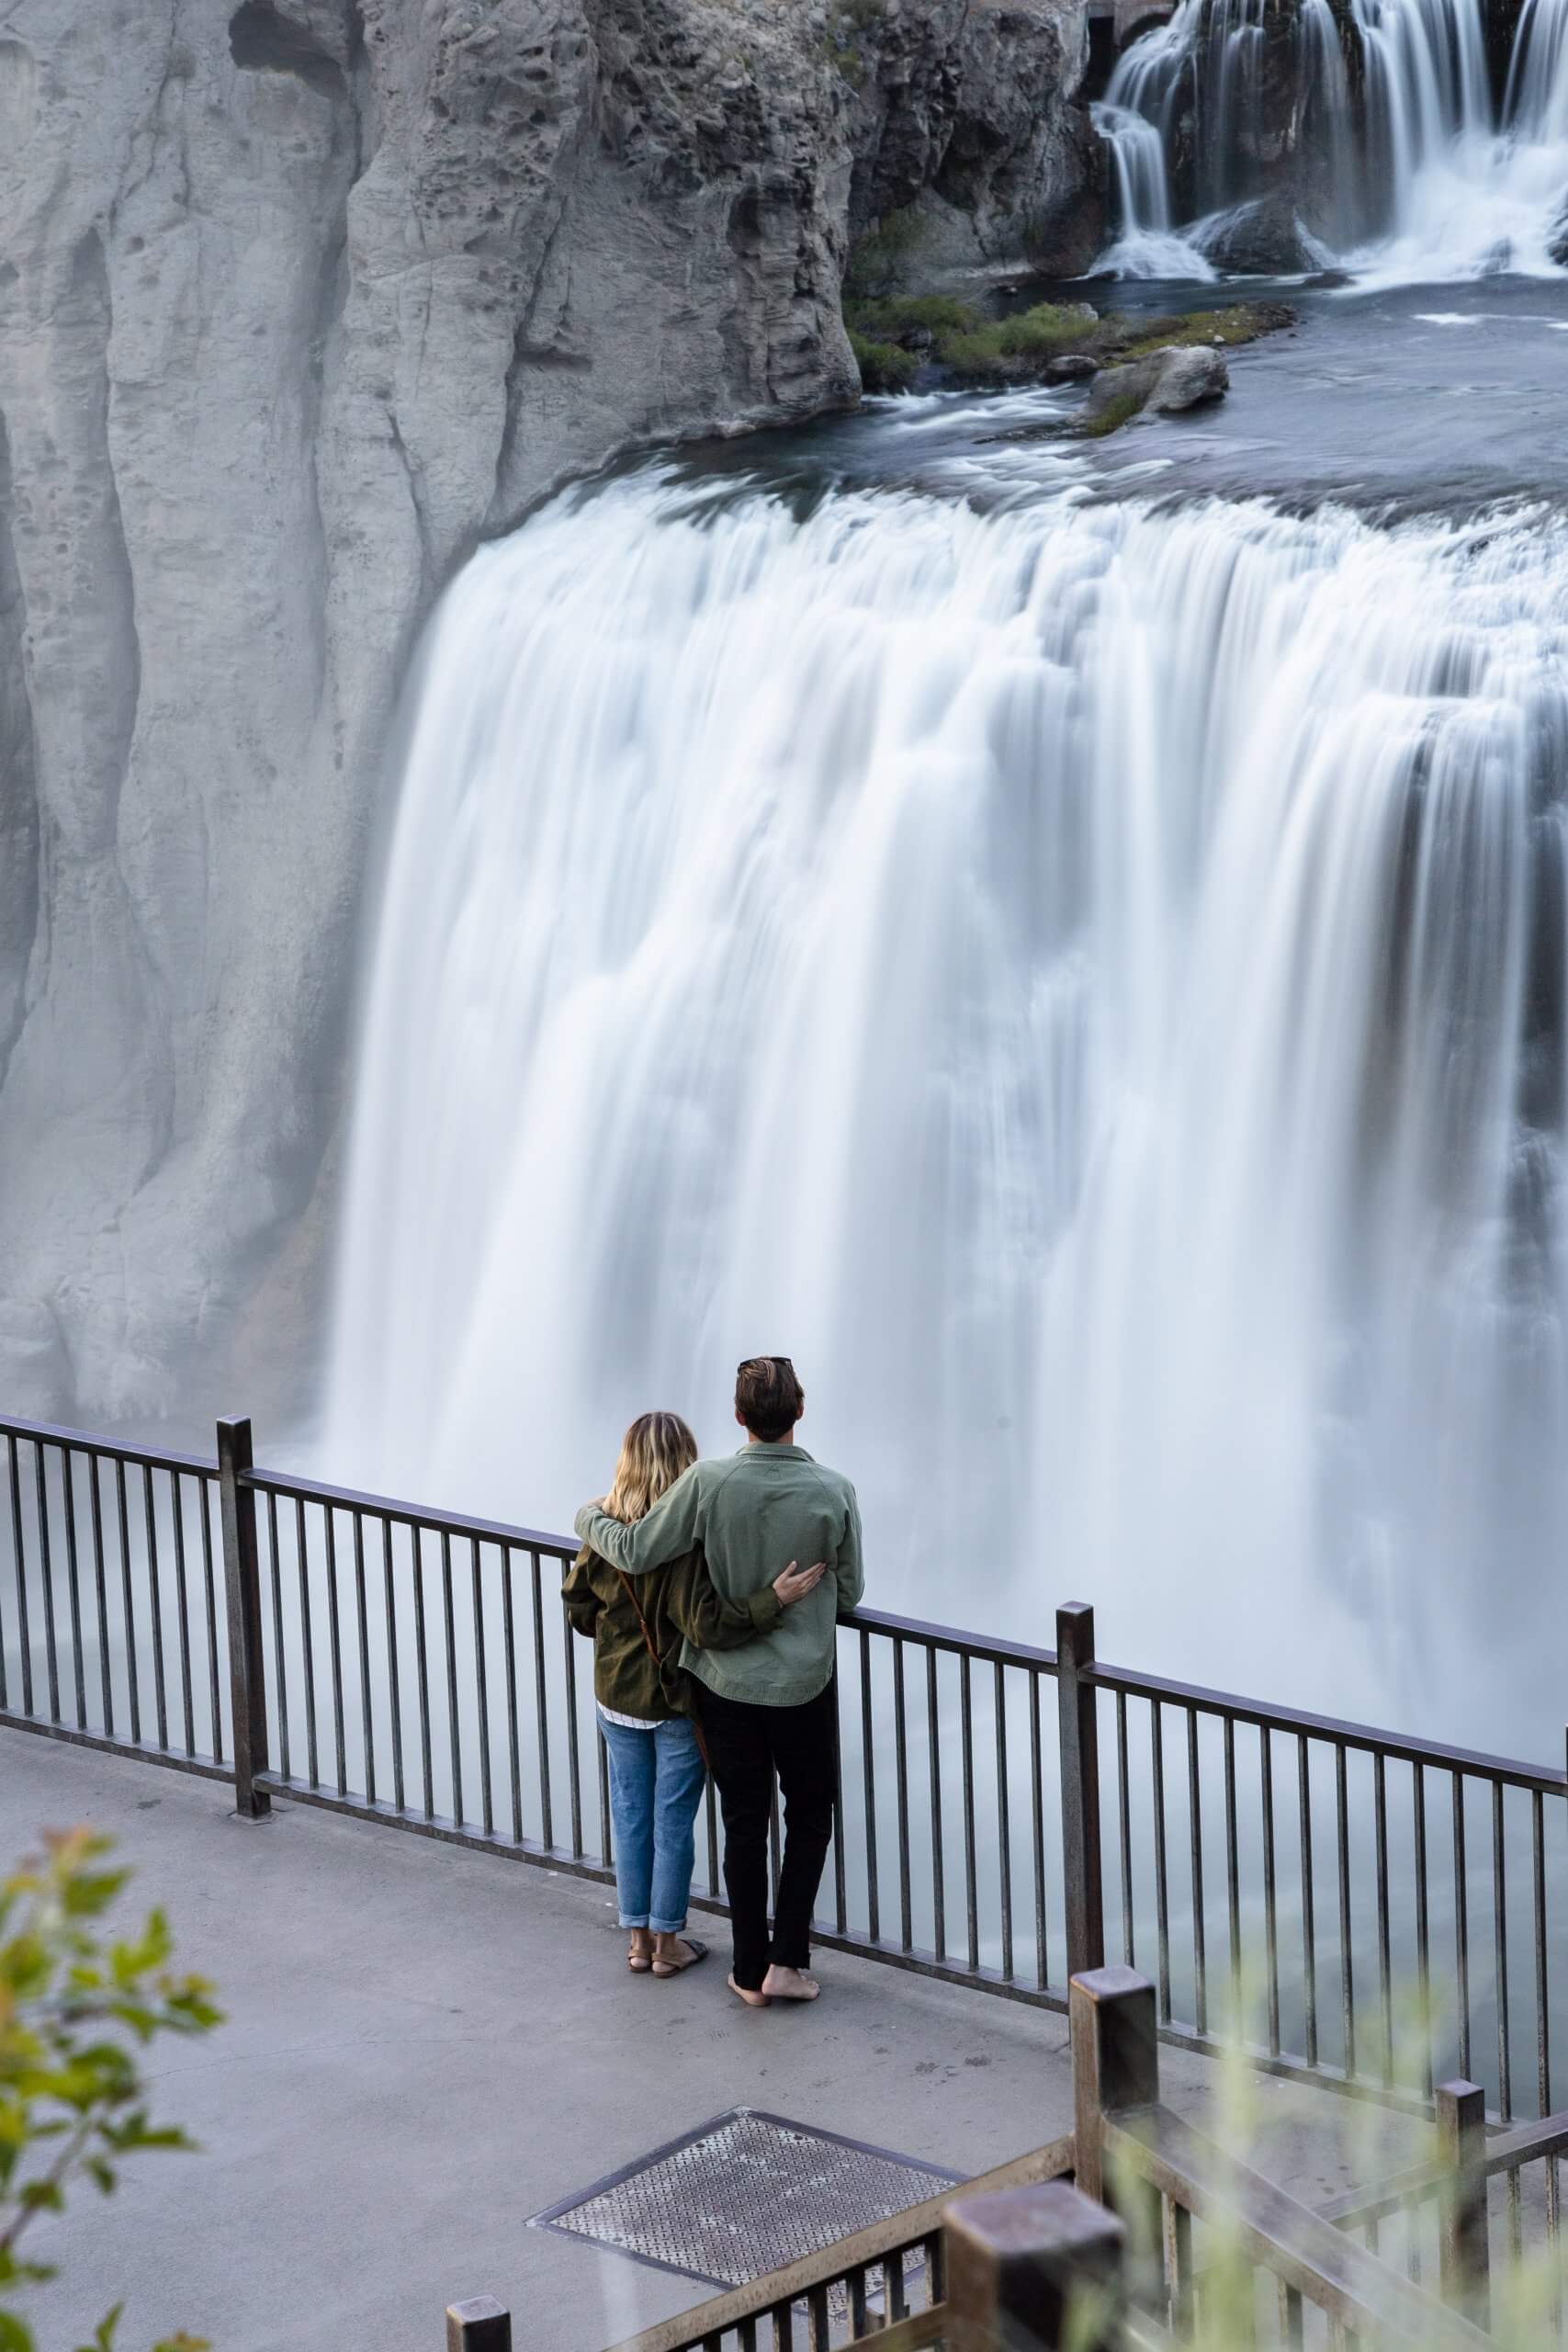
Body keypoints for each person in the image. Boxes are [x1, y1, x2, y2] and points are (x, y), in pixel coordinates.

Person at [574, 1358, 863, 2009]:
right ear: (800, 1410)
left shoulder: (708, 1482)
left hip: (723, 1686)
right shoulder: (833, 1490)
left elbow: (638, 1549)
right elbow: (850, 1590)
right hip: (802, 1686)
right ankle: (787, 1961)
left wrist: (587, 1518)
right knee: (810, 1816)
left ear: (738, 1417)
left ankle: (747, 1972)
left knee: (741, 1823)